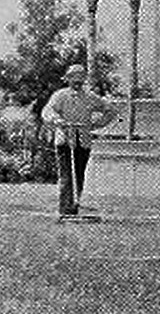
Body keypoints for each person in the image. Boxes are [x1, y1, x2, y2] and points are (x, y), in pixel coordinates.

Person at [41, 63, 114, 217]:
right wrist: (57, 120)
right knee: (67, 176)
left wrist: (97, 124)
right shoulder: (60, 95)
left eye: (81, 77)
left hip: (83, 140)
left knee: (79, 175)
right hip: (65, 140)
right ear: (68, 79)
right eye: (74, 77)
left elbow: (109, 110)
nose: (77, 81)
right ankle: (65, 210)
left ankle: (74, 206)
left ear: (84, 79)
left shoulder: (90, 97)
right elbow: (48, 111)